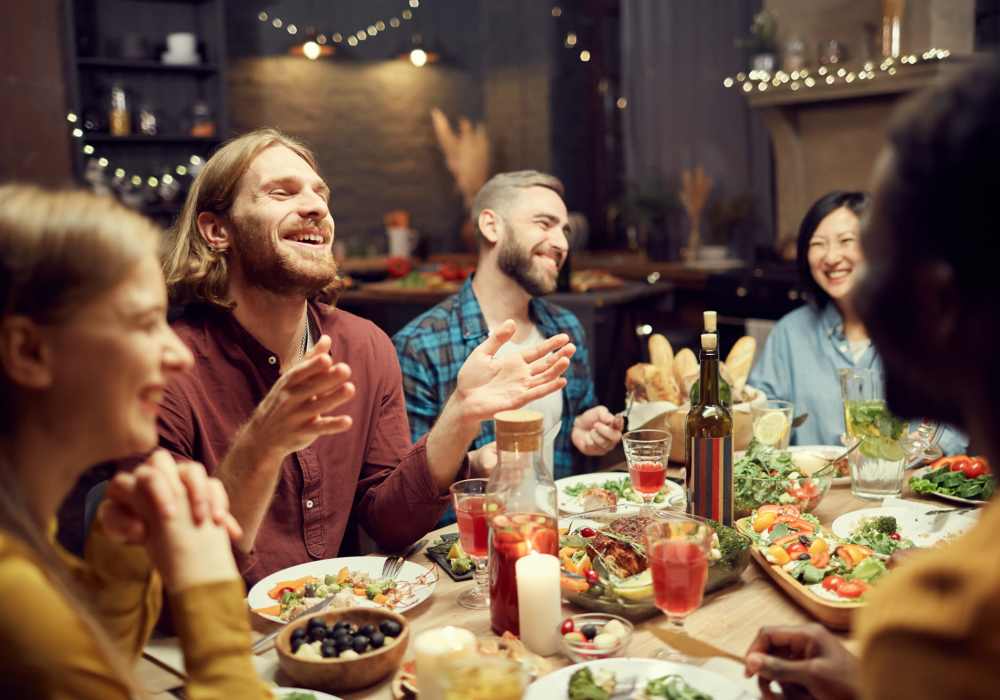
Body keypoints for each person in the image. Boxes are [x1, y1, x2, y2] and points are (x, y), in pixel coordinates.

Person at [157, 131, 575, 587]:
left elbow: (388, 524)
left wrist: (462, 412)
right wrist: (262, 443)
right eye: (282, 192)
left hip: (343, 627)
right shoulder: (165, 370)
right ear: (217, 231)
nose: (316, 207)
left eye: (321, 194)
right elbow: (170, 574)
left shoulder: (365, 346)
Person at [743, 56, 1000, 699]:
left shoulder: (937, 622)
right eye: (820, 247)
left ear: (937, 299)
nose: (844, 272)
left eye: (874, 252)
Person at [0, 185, 271, 697]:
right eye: (146, 324)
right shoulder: (12, 601)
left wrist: (121, 567)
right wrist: (207, 586)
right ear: (28, 352)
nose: (179, 356)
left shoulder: (32, 532)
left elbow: (91, 664)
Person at [394, 171, 623, 482]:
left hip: (559, 526)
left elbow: (572, 442)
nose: (561, 243)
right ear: (491, 226)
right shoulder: (421, 345)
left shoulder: (565, 328)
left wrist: (582, 431)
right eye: (544, 224)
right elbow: (402, 491)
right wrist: (470, 464)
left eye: (564, 230)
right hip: (471, 529)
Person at [748, 190, 966, 454]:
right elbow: (762, 416)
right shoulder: (789, 332)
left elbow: (958, 419)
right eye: (817, 244)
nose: (830, 257)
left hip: (902, 491)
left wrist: (913, 456)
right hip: (815, 491)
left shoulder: (923, 329)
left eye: (846, 240)